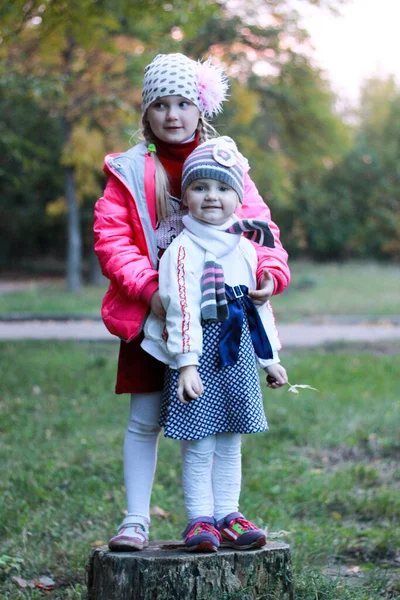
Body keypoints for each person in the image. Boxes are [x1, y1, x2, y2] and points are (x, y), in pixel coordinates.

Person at [93, 52, 290, 552]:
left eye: (183, 103)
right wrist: (149, 289)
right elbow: (113, 239)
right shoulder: (131, 171)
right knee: (145, 419)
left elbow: (259, 226)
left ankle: (224, 513)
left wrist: (269, 271)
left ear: (201, 108)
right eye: (160, 105)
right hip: (153, 315)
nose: (173, 114)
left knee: (222, 422)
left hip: (220, 319)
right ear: (147, 114)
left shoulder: (226, 163)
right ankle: (136, 519)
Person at [141, 137, 288, 552]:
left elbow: (256, 308)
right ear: (184, 196)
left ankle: (229, 514)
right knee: (200, 442)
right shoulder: (183, 250)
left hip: (237, 355)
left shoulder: (244, 247)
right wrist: (186, 364)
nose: (212, 197)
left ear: (238, 198)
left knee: (230, 441)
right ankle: (200, 520)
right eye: (201, 187)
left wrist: (270, 360)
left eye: (223, 188)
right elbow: (181, 309)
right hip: (199, 357)